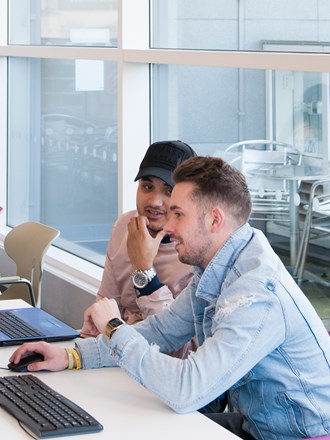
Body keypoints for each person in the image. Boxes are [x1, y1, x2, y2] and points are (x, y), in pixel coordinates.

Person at [10, 156, 330, 440]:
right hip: (257, 426)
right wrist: (70, 357)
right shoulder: (219, 267)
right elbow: (161, 332)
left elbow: (186, 389)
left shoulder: (257, 294)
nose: (169, 225)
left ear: (215, 220)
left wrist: (114, 327)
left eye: (178, 214)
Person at [80, 140, 196, 334]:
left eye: (169, 191)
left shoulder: (194, 251)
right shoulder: (124, 226)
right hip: (115, 348)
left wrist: (143, 269)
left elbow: (175, 339)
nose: (154, 202)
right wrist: (74, 355)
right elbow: (105, 307)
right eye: (147, 187)